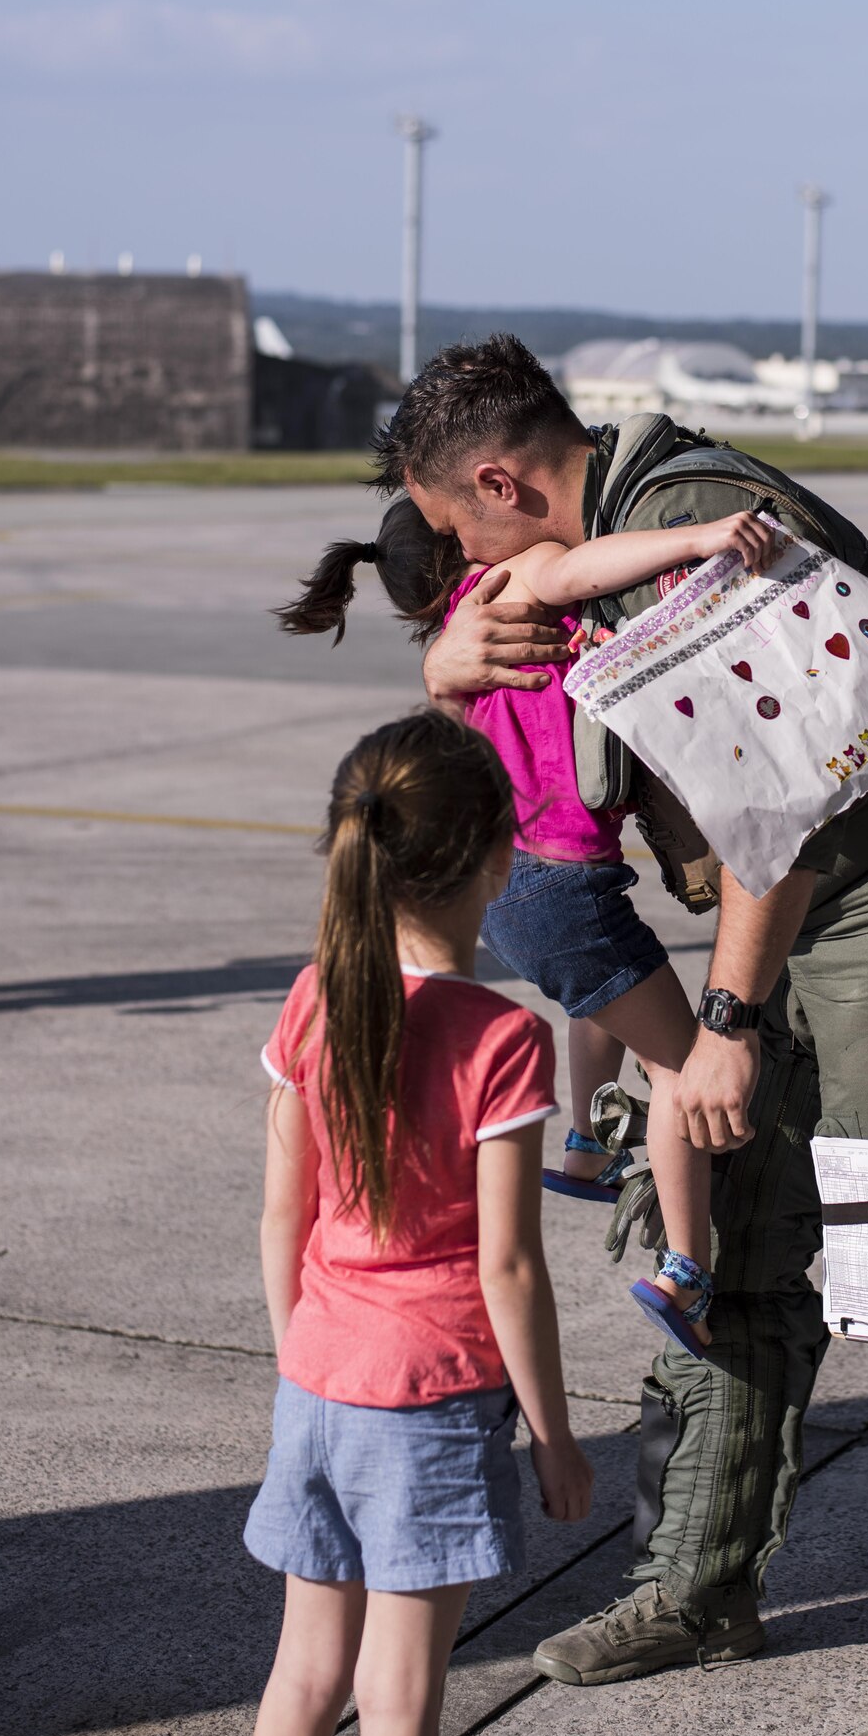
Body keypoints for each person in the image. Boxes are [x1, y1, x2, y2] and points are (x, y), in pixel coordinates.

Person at [381, 333, 868, 1736]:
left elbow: (785, 806)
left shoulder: (698, 525)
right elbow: (533, 757)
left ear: (500, 478)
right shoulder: (606, 538)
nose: (466, 570)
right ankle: (697, 1590)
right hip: (775, 917)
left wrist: (731, 1030)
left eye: (458, 536)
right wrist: (447, 665)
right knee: (723, 1247)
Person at [278, 501, 780, 1356]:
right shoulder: (509, 579)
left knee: (605, 993)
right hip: (560, 887)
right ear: (461, 536)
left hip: (510, 890)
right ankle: (687, 1272)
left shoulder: (458, 642)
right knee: (679, 1067)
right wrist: (700, 538)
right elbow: (586, 568)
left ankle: (584, 1145)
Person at [242, 707, 593, 1736]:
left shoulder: (310, 999)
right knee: (398, 1698)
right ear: (496, 860)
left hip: (318, 1376)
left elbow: (282, 1216)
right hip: (431, 1399)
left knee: (302, 1678)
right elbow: (509, 1266)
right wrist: (552, 1432)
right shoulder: (500, 1035)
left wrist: (301, 1347)